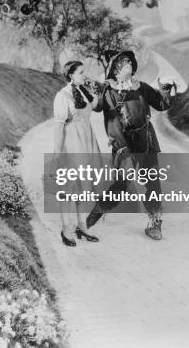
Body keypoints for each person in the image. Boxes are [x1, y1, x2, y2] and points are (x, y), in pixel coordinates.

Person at [85, 50, 175, 240]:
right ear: (116, 68)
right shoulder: (108, 90)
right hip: (123, 144)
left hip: (146, 141)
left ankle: (155, 224)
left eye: (131, 64)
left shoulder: (140, 87)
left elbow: (161, 104)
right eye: (126, 63)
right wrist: (93, 89)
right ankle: (92, 218)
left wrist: (165, 88)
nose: (130, 66)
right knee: (122, 183)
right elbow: (101, 111)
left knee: (153, 182)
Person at [52, 60, 102, 246]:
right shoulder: (62, 95)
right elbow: (58, 127)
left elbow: (96, 105)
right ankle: (66, 229)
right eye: (81, 72)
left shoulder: (83, 91)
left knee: (83, 187)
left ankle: (82, 225)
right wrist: (57, 153)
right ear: (71, 75)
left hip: (87, 140)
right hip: (72, 143)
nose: (84, 75)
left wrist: (91, 88)